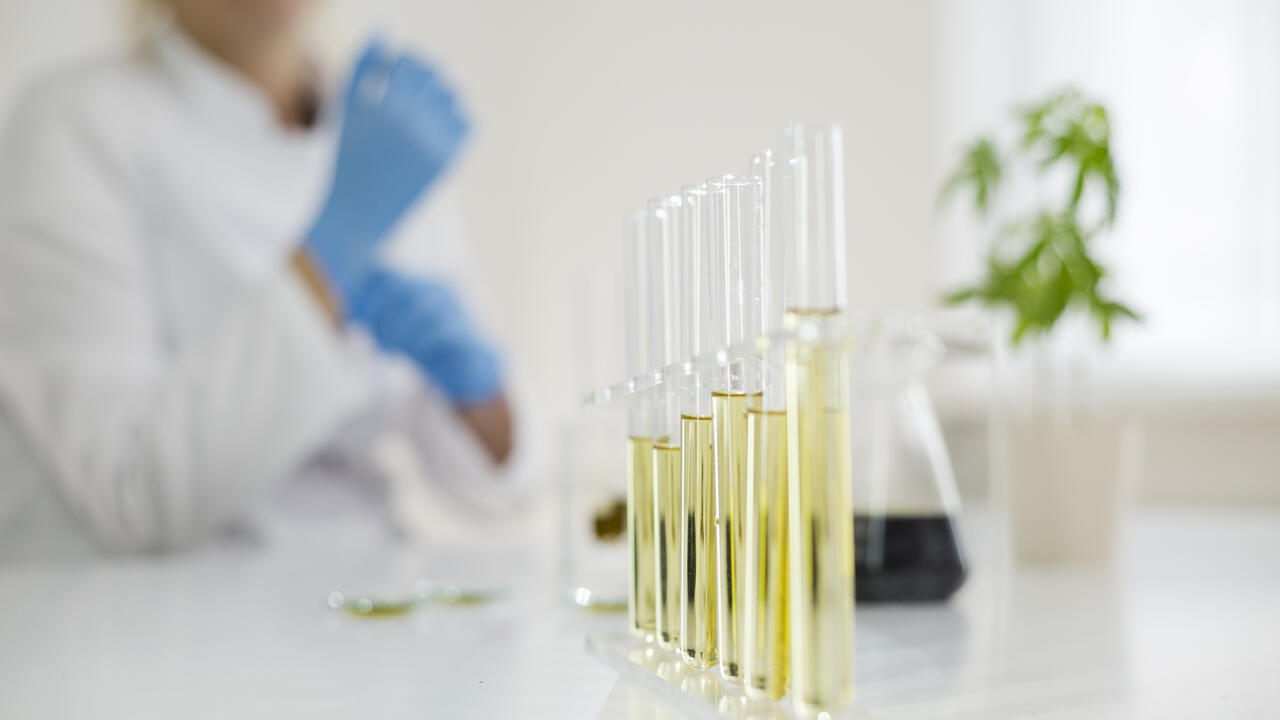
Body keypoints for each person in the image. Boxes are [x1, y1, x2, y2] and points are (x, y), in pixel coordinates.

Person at [0, 0, 537, 559]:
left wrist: (479, 388)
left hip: (366, 581)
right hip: (159, 612)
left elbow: (500, 489)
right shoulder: (74, 125)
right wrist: (323, 265)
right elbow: (132, 491)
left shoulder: (376, 128)